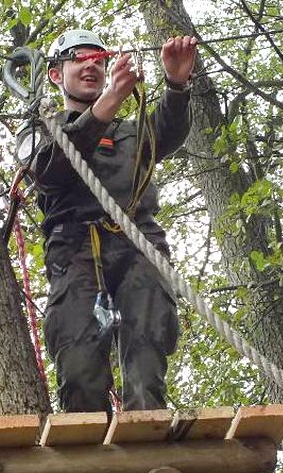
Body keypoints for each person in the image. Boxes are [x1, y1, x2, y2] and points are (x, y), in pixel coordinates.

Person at [19, 29, 198, 413]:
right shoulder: (42, 130)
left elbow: (166, 133)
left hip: (139, 245)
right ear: (55, 74)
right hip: (76, 249)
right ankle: (88, 464)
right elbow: (48, 172)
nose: (91, 66)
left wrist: (177, 85)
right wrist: (109, 102)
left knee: (147, 356)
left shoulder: (129, 132)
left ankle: (147, 445)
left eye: (98, 60)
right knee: (80, 361)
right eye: (79, 59)